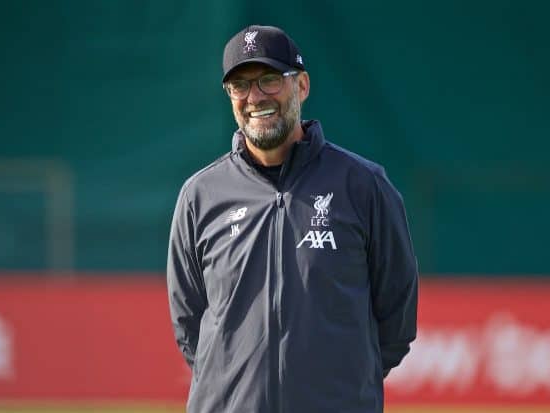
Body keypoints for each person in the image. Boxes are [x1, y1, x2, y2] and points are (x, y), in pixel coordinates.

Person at [167, 24, 418, 413]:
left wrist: (338, 385)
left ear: (301, 86)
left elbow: (396, 319)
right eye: (241, 86)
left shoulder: (364, 186)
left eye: (269, 80)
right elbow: (189, 325)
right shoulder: (199, 196)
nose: (255, 97)